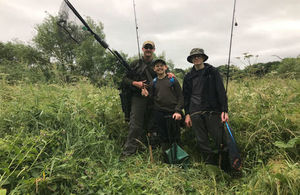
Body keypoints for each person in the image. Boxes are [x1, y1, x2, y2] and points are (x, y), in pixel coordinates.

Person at [183, 48, 229, 166]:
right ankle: (211, 165)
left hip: (212, 111)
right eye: (194, 57)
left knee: (220, 139)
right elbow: (186, 97)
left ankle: (226, 164)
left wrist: (224, 110)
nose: (196, 58)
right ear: (191, 60)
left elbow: (220, 91)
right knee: (202, 141)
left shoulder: (212, 71)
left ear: (203, 58)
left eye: (198, 56)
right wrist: (187, 114)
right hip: (195, 112)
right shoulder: (188, 76)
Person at [121, 40, 157, 158]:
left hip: (153, 98)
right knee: (135, 125)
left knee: (152, 124)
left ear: (153, 50)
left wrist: (171, 75)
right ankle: (128, 153)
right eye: (146, 47)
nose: (148, 49)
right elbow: (124, 79)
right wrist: (135, 83)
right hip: (138, 97)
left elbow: (165, 76)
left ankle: (149, 150)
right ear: (142, 49)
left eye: (150, 47)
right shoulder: (135, 63)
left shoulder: (157, 64)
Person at [141, 59, 184, 157]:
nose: (159, 67)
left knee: (175, 137)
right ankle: (167, 160)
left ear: (166, 67)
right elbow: (151, 99)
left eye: (161, 65)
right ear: (154, 69)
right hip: (159, 113)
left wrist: (178, 111)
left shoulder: (173, 80)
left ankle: (179, 160)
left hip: (173, 113)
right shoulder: (153, 83)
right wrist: (146, 95)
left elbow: (181, 97)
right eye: (157, 66)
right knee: (163, 137)